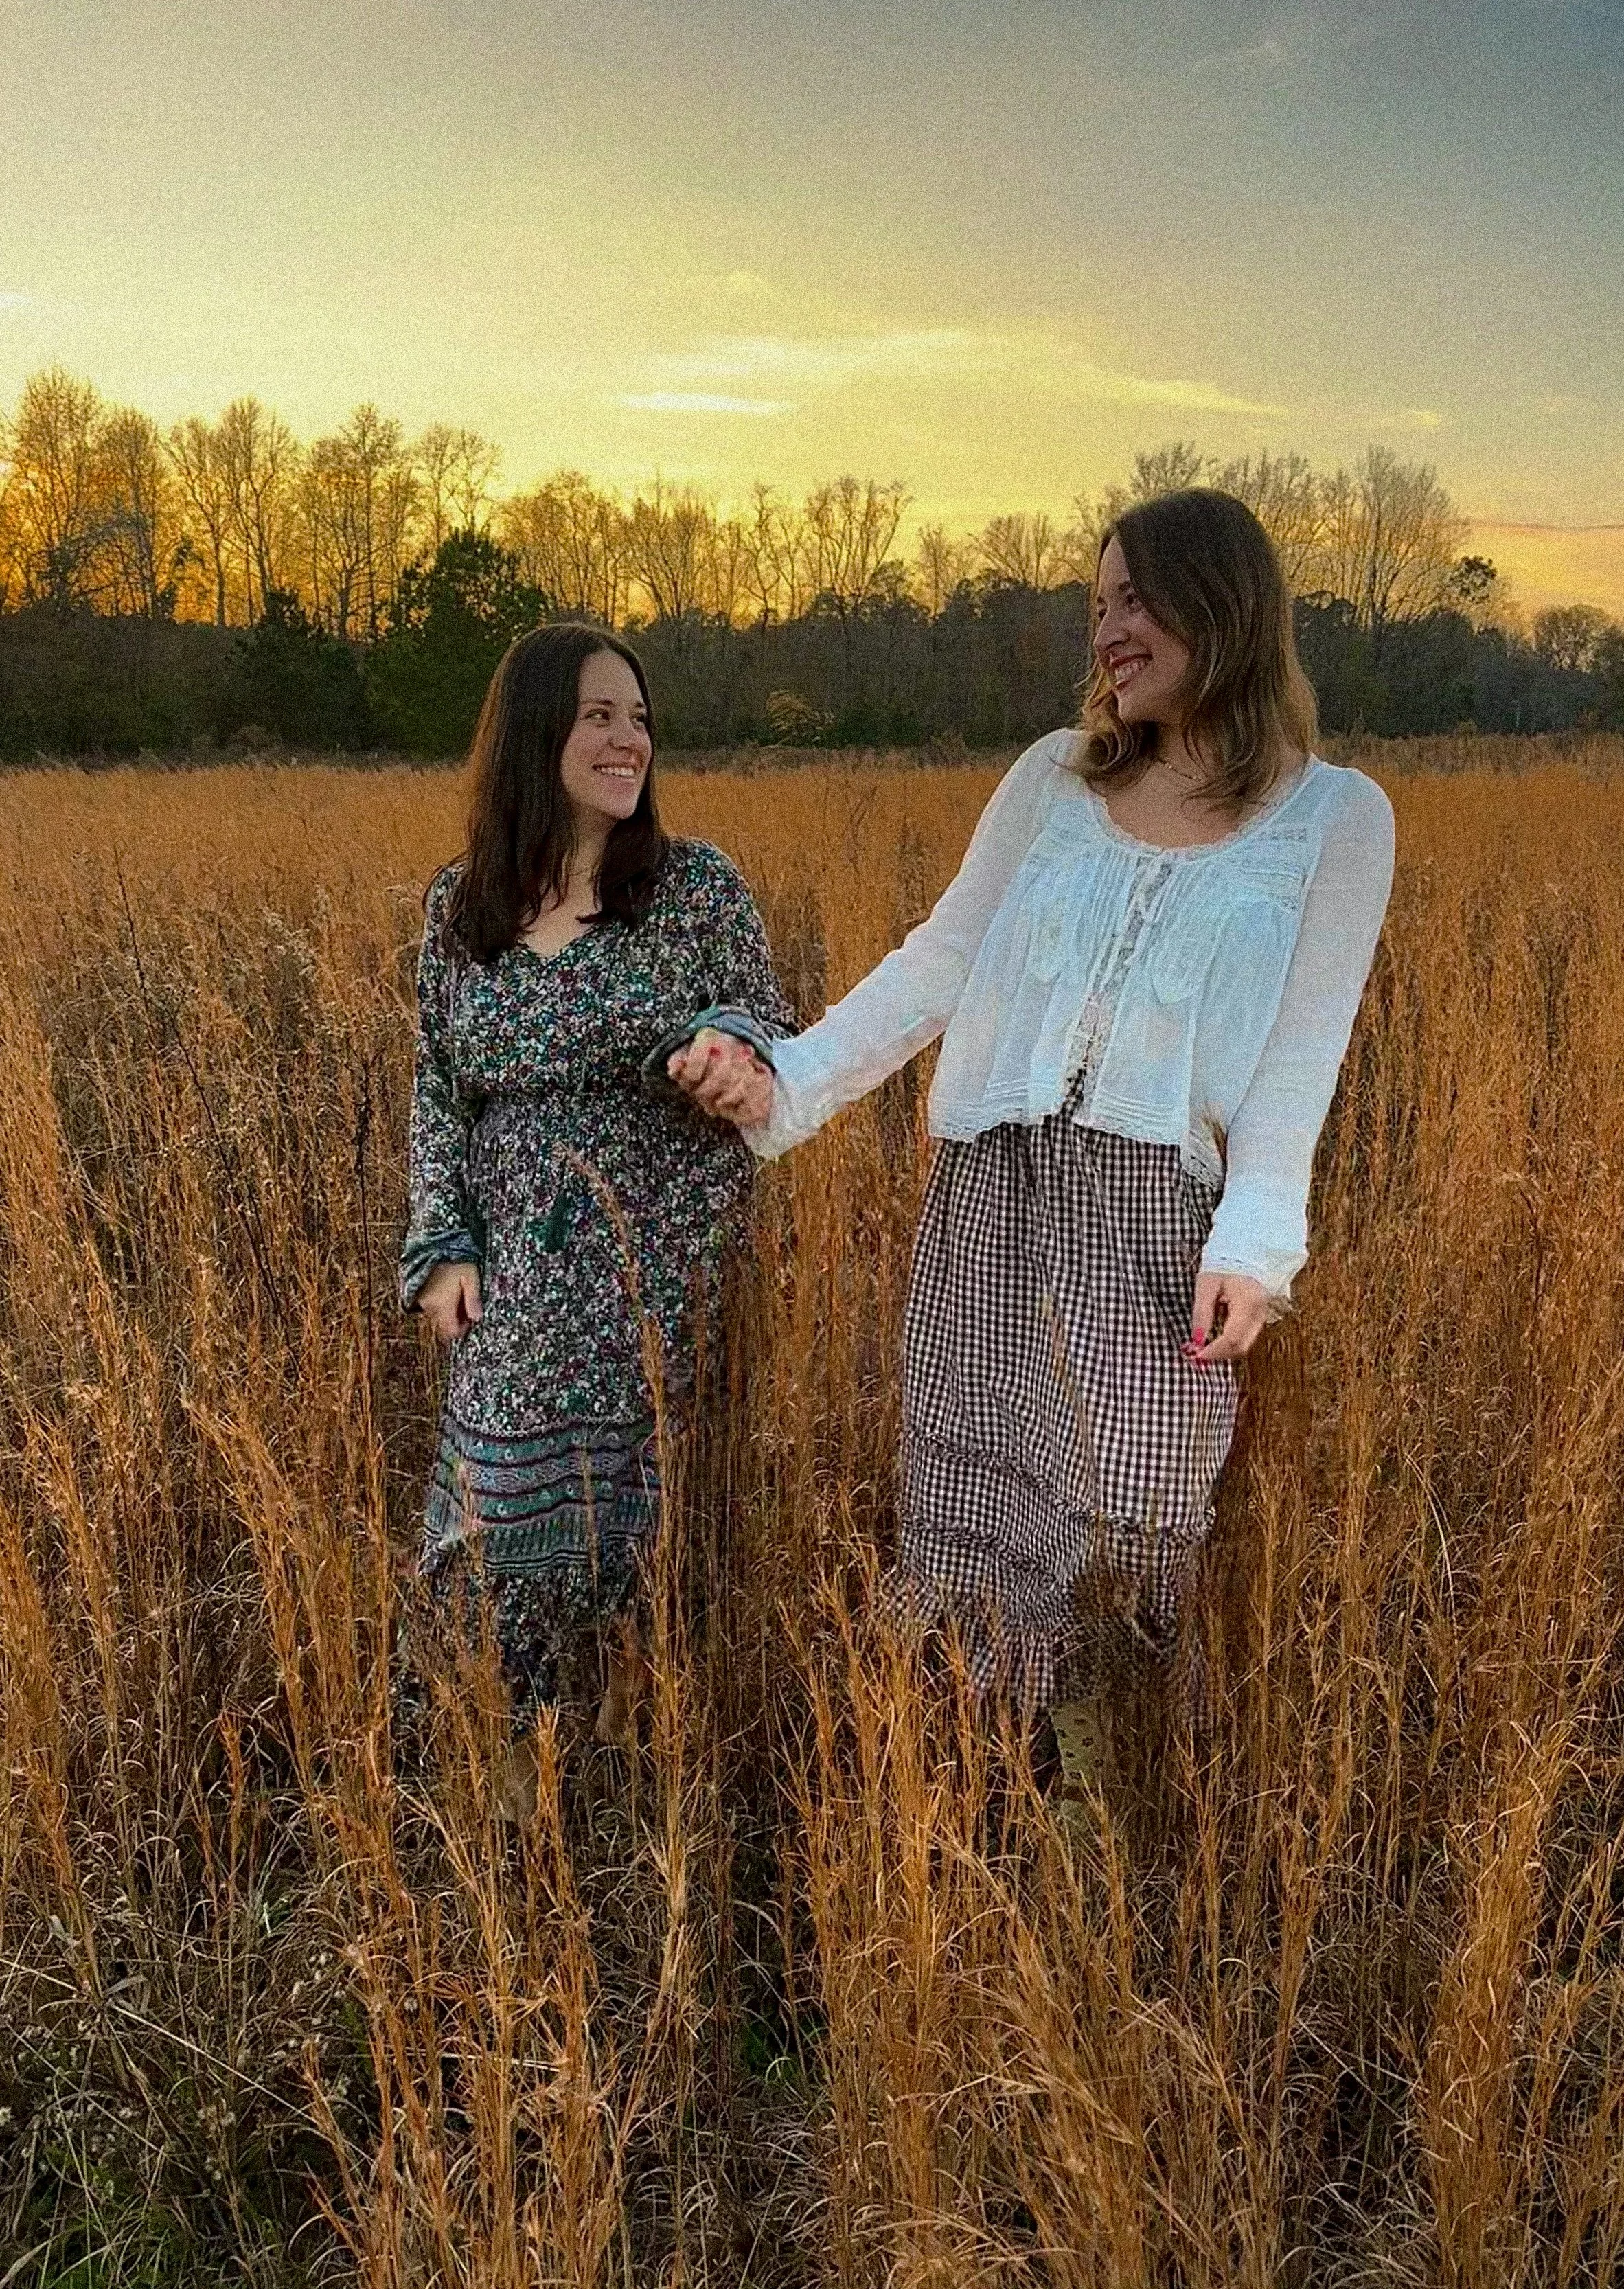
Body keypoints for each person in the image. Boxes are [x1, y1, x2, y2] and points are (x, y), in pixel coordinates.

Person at [672, 489, 1395, 1807]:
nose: (1108, 631)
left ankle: (1106, 1823)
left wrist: (1255, 1243)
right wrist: (787, 1083)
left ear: (1222, 604)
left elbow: (1305, 1054)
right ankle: (973, 1807)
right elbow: (942, 960)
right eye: (1098, 604)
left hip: (1154, 1227)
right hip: (994, 1198)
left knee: (1127, 1536)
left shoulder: (1336, 818)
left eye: (1136, 599)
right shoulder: (1055, 775)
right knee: (972, 1513)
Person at [402, 622, 789, 1814]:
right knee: (500, 1504)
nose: (630, 741)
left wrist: (730, 1050)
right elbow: (436, 1089)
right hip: (516, 1271)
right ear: (534, 736)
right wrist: (439, 1243)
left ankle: (633, 1711)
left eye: (638, 717)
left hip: (662, 1257)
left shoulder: (694, 889)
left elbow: (765, 1021)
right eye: (597, 716)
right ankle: (513, 1741)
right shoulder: (461, 909)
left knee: (651, 1508)